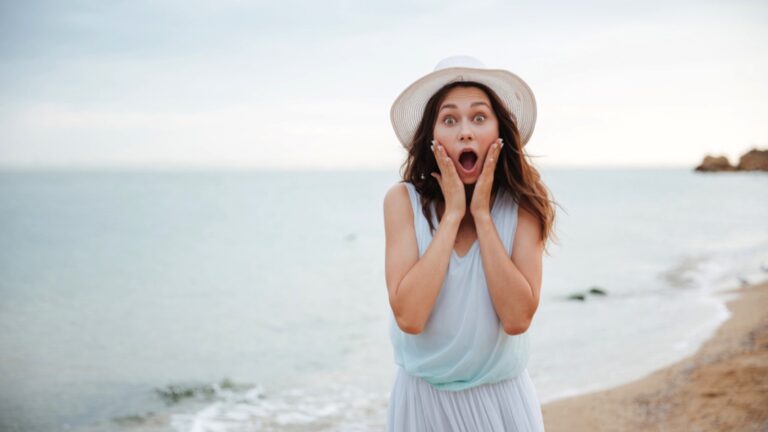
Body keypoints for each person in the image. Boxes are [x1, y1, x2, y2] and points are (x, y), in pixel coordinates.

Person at [383, 55, 559, 431]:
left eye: (479, 117)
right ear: (432, 136)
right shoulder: (402, 202)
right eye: (450, 119)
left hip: (502, 404)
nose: (465, 131)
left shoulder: (524, 204)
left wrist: (481, 215)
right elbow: (410, 317)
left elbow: (517, 319)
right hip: (422, 404)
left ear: (498, 132)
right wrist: (451, 217)